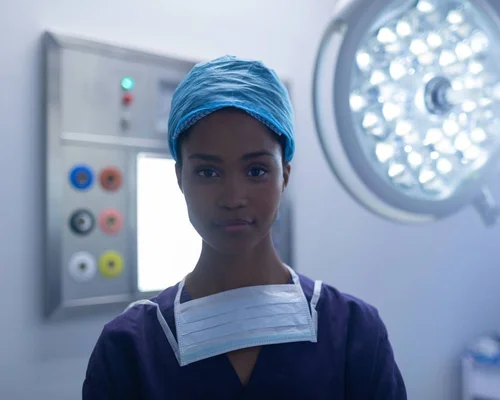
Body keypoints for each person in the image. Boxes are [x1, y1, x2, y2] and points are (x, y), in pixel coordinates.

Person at [82, 55, 407, 399]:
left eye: (256, 171)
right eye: (208, 172)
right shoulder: (130, 350)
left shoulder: (354, 334)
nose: (233, 197)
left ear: (285, 176)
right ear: (180, 178)